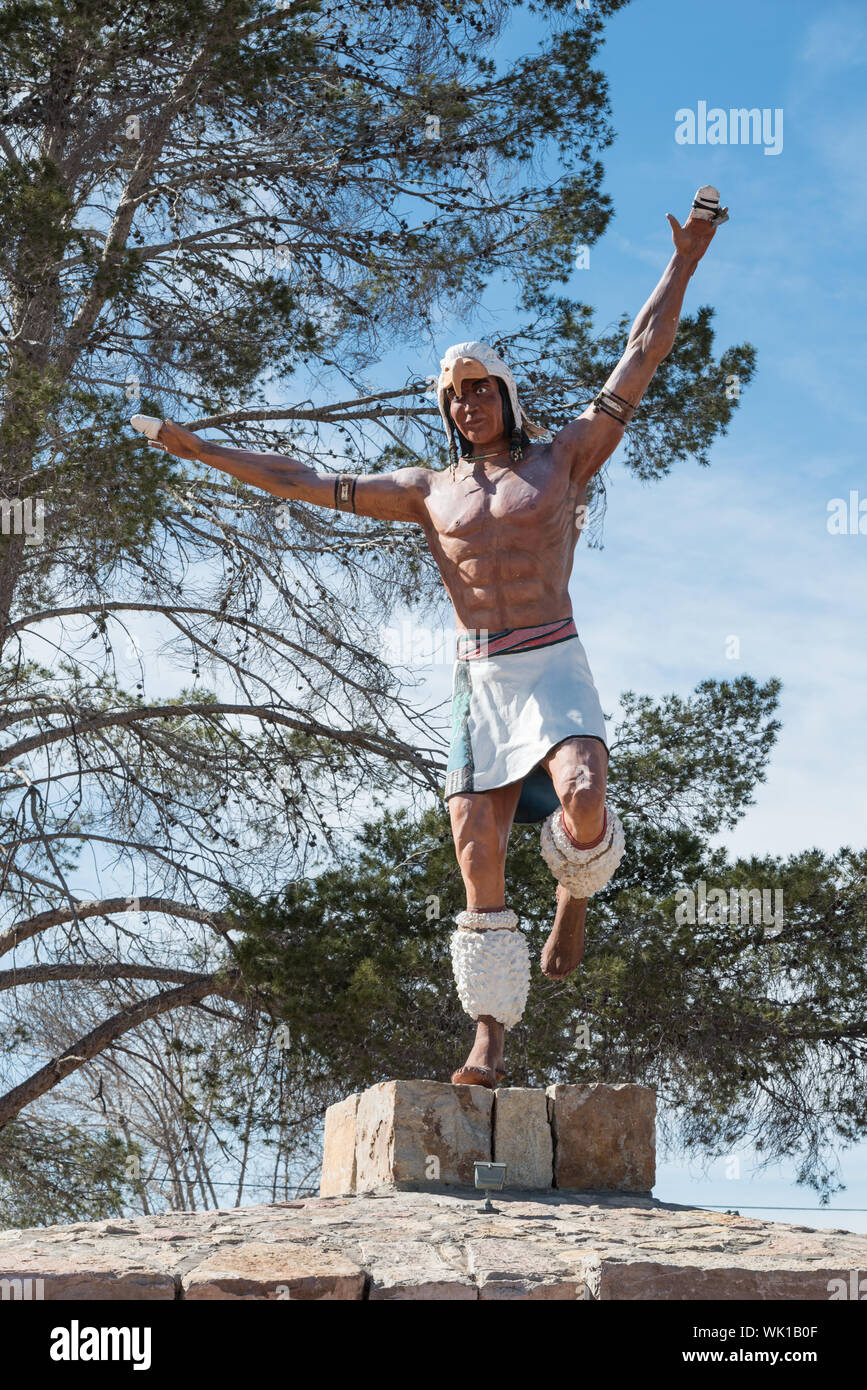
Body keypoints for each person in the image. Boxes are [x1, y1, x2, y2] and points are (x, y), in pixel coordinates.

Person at [132, 188, 728, 1088]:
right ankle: (488, 1037)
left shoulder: (562, 457)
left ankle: (573, 891)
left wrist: (683, 260)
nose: (467, 407)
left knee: (584, 793)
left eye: (480, 390)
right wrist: (199, 448)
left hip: (552, 658)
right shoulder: (426, 489)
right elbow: (303, 477)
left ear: (505, 395)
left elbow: (638, 355)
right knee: (474, 846)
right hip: (478, 677)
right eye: (454, 398)